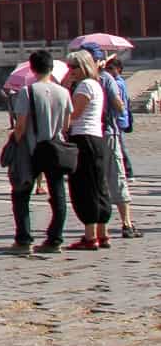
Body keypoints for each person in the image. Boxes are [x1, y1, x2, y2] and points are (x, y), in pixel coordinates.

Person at [6, 49, 70, 253]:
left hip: (33, 149)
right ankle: (55, 239)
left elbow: (21, 126)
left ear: (32, 68)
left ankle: (23, 240)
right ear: (51, 68)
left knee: (21, 193)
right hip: (55, 148)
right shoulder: (64, 92)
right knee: (58, 194)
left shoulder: (28, 91)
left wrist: (15, 142)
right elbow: (67, 124)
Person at [64, 48, 111, 252]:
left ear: (82, 66)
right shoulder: (96, 84)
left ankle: (90, 236)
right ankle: (103, 233)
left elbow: (74, 114)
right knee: (98, 184)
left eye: (73, 67)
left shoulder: (84, 86)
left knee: (84, 186)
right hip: (96, 138)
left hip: (83, 138)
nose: (70, 70)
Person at [103, 55, 142, 240]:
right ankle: (125, 223)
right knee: (116, 176)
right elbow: (120, 105)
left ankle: (98, 230)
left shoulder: (108, 81)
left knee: (104, 179)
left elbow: (120, 104)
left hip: (105, 131)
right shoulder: (108, 80)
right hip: (111, 130)